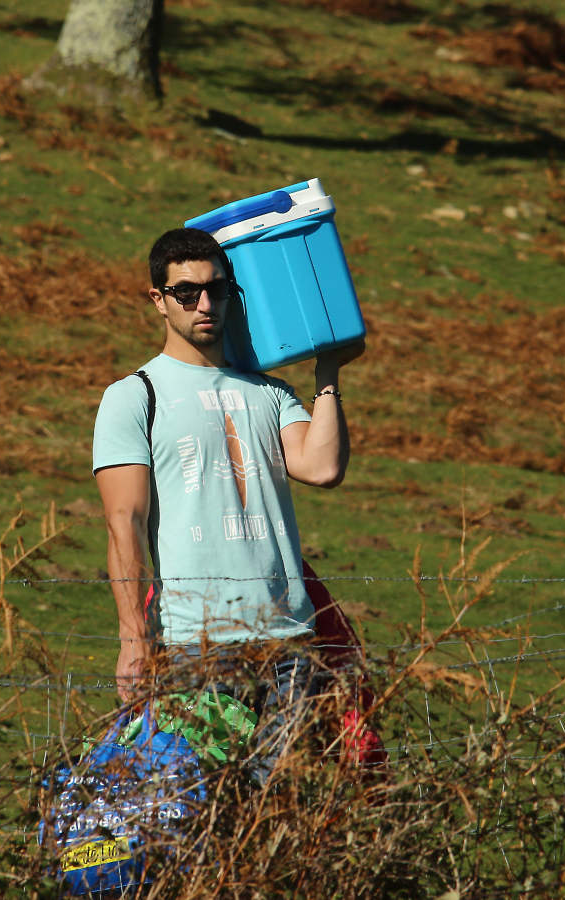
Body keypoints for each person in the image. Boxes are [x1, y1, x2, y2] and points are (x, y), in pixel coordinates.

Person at [91, 226, 362, 784]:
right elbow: (125, 524)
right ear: (159, 301)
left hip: (288, 642)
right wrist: (133, 640)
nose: (205, 304)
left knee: (273, 808)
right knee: (198, 805)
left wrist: (327, 375)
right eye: (187, 293)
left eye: (217, 290)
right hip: (199, 644)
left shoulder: (269, 392)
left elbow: (323, 467)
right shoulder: (135, 396)